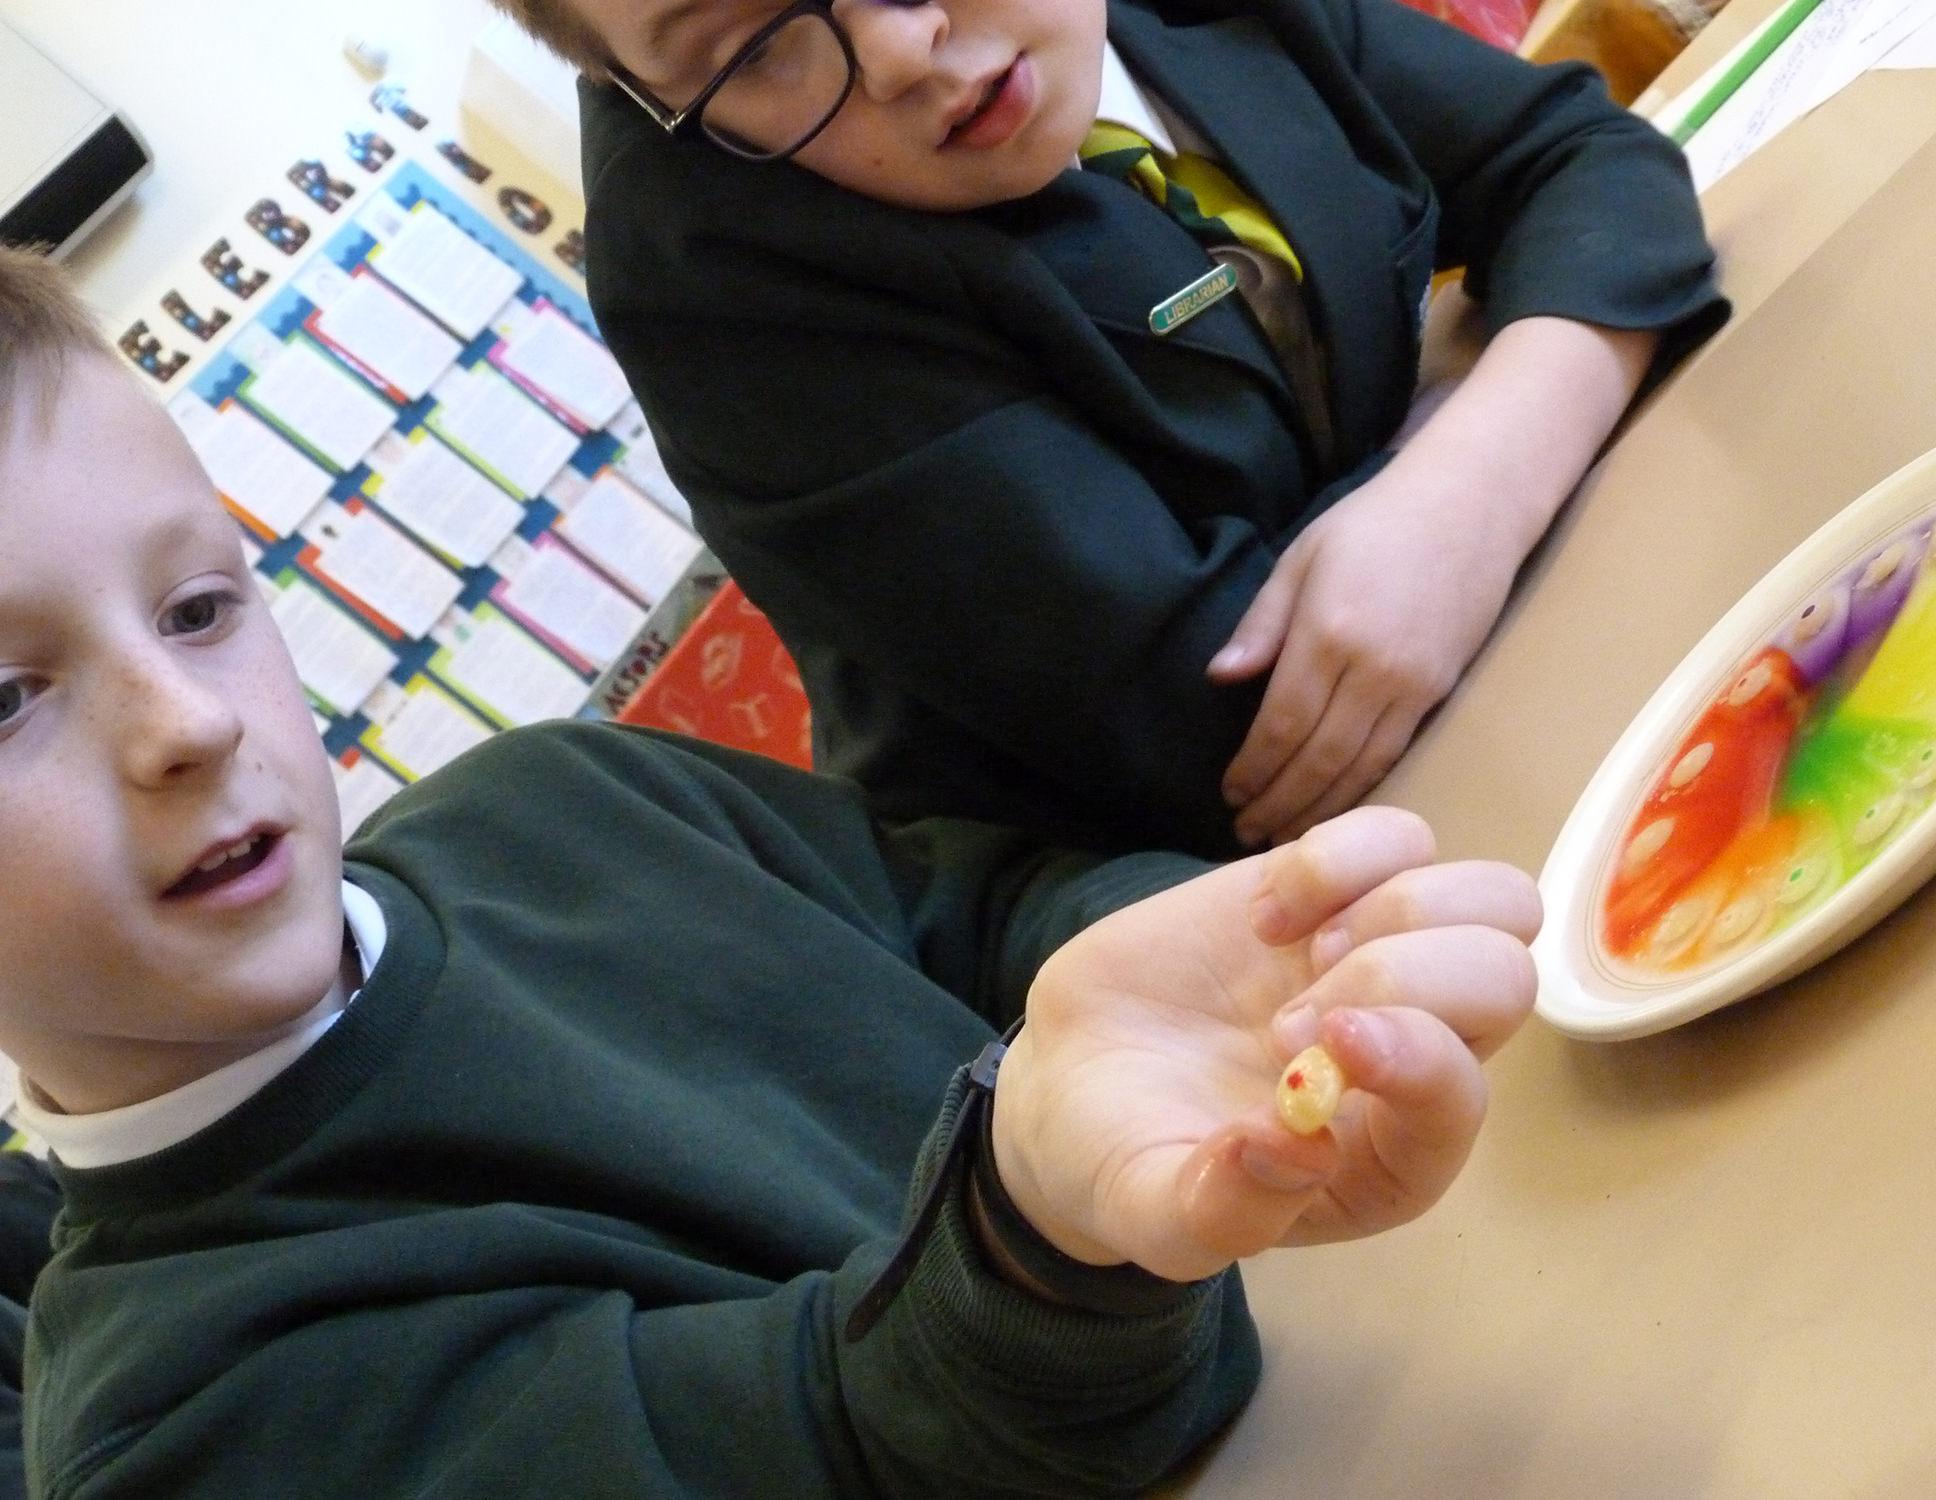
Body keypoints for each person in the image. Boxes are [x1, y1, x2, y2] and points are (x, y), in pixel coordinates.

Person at [1, 247, 1541, 1495]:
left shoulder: (557, 799)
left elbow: (983, 911)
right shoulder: (179, 1420)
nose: (187, 724)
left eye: (197, 608)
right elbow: (856, 1441)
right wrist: (1048, 1231)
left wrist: (1255, 969)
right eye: (8, 698)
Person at [489, 0, 1727, 857]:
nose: (900, 52)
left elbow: (1578, 161)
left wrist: (1474, 471)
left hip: (1562, 645)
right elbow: (1244, 724)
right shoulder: (712, 280)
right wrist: (1487, 421)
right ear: (641, 93)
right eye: (756, 46)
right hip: (1229, 914)